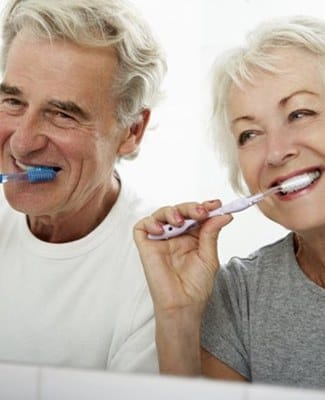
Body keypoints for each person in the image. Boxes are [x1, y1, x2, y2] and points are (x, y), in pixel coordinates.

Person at [134, 15, 325, 389]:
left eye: (300, 113)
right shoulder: (239, 295)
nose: (275, 152)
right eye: (249, 134)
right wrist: (178, 317)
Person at [0, 0, 166, 372]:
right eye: (13, 101)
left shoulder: (158, 269)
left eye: (62, 114)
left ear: (132, 131)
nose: (22, 142)